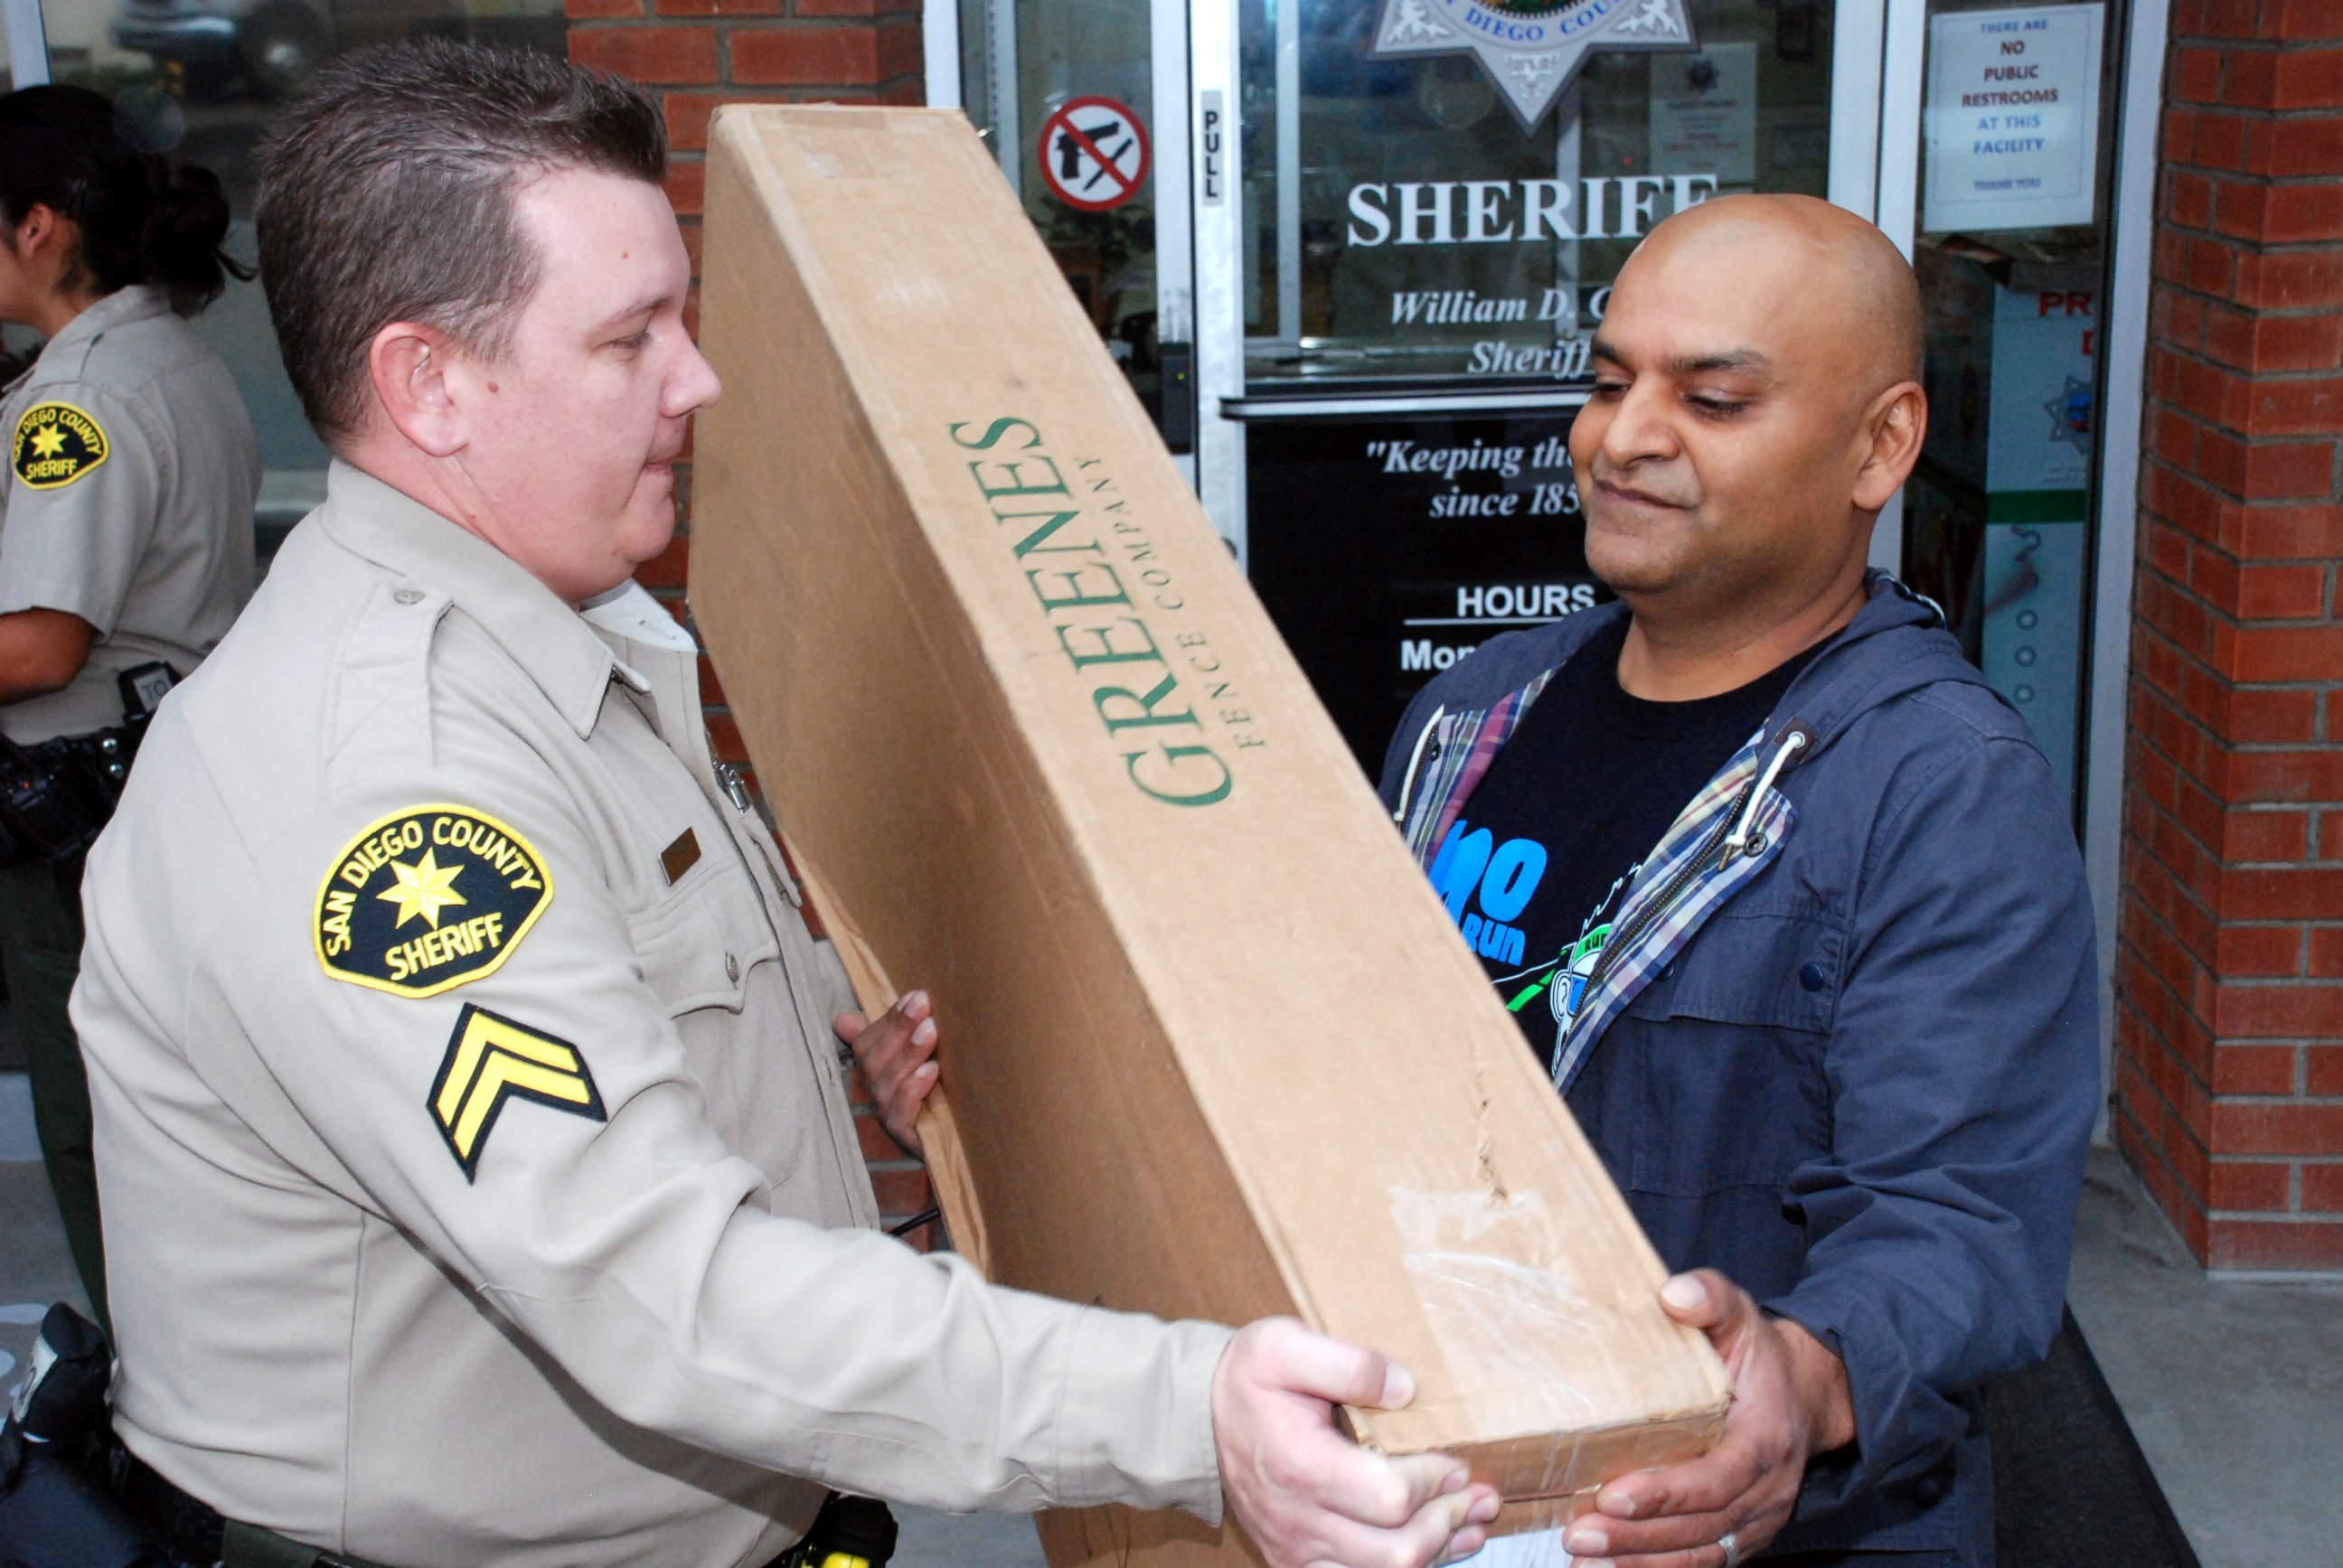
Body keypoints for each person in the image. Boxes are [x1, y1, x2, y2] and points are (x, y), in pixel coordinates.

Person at [69, 41, 1500, 1568]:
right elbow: (657, 1291)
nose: (701, 378)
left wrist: (818, 1049)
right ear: (429, 383)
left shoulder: (574, 626)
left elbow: (637, 991)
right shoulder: (385, 784)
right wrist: (1189, 1411)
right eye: (634, 338)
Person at [1373, 197, 2098, 1567]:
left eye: (1710, 398)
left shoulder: (1940, 789)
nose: (1621, 438)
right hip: (1448, 1481)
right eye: (1605, 382)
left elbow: (1956, 1226)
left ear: (1879, 446)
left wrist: (1805, 1381)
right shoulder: (1469, 718)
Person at [0, 84, 259, 1332]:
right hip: (162, 789)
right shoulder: (167, 352)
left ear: (39, 227)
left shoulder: (79, 399)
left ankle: (177, 1446)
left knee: (97, 1123)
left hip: (80, 818)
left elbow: (44, 646)